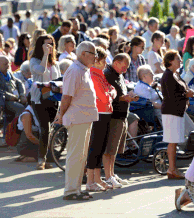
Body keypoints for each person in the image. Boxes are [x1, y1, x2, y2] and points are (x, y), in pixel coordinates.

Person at [54, 41, 98, 201]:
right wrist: (60, 115)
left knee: (81, 156)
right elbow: (66, 96)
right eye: (93, 53)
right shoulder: (74, 70)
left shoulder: (83, 69)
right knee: (75, 155)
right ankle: (71, 191)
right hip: (77, 118)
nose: (96, 57)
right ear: (84, 54)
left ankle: (77, 189)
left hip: (84, 118)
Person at [104, 53, 137, 188]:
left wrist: (129, 96)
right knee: (109, 149)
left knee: (115, 149)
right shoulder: (108, 74)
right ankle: (108, 176)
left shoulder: (118, 74)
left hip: (122, 115)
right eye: (124, 67)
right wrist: (124, 98)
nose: (125, 70)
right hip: (114, 115)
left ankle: (111, 174)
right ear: (116, 62)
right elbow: (109, 95)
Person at [161, 50, 194, 179]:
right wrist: (186, 94)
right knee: (172, 141)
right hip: (171, 111)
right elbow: (171, 95)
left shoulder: (175, 74)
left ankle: (173, 168)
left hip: (177, 111)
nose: (180, 61)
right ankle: (172, 169)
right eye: (178, 59)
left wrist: (187, 93)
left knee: (174, 141)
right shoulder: (168, 75)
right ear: (170, 61)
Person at [29, 34, 61, 170]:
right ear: (40, 46)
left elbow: (58, 78)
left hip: (53, 99)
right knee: (44, 128)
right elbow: (41, 71)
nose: (50, 47)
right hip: (39, 99)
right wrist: (45, 55)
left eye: (51, 44)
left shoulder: (55, 63)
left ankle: (47, 157)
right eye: (46, 44)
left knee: (51, 129)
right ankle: (41, 159)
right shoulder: (34, 60)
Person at [86, 47, 115, 191]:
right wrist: (110, 94)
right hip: (99, 114)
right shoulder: (93, 75)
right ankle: (90, 181)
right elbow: (104, 96)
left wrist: (109, 93)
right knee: (95, 148)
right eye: (103, 60)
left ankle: (97, 178)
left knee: (101, 147)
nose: (105, 63)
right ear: (96, 61)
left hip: (105, 113)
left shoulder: (101, 74)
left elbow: (112, 89)